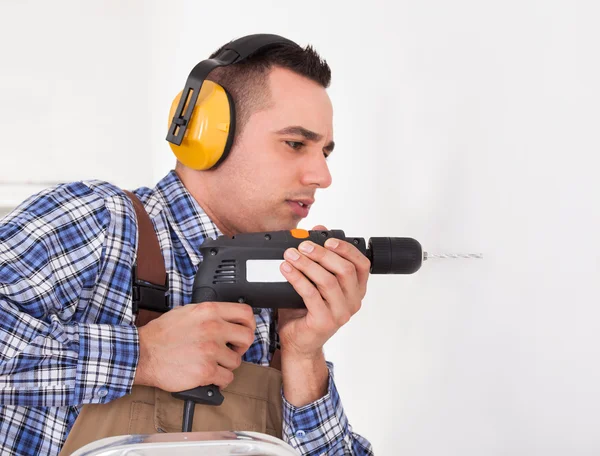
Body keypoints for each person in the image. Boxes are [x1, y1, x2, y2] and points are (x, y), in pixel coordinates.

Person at [0, 35, 374, 456]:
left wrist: (304, 357)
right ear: (204, 136)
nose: (322, 176)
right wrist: (141, 357)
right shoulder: (100, 221)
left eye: (325, 151)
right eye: (295, 144)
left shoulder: (277, 293)